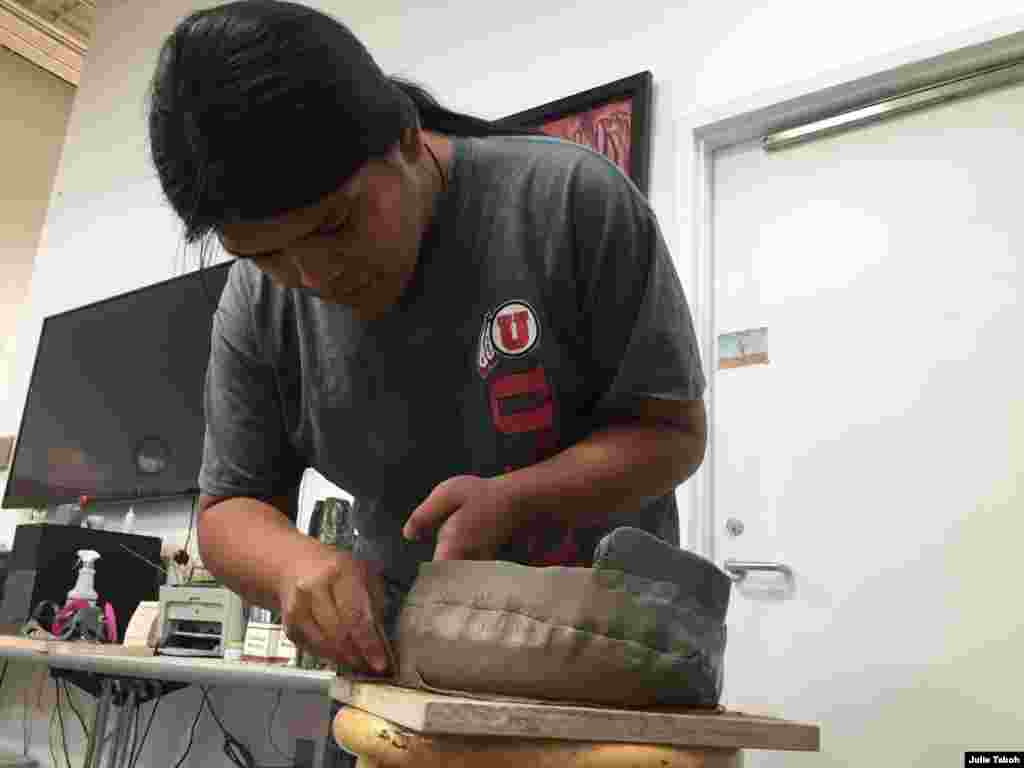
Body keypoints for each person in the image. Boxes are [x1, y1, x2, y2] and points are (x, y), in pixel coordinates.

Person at [147, 0, 707, 677]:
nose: (313, 277)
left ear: (405, 138)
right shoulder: (257, 301)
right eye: (264, 254)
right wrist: (298, 566)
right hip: (413, 670)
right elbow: (230, 508)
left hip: (604, 657)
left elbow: (672, 433)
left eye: (336, 226)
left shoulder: (569, 201)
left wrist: (519, 498)